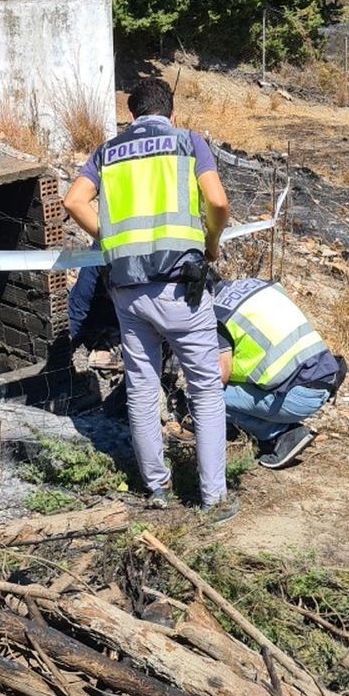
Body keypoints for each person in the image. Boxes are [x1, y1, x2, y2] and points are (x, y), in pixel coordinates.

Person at [62, 78, 234, 517]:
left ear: (132, 115)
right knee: (206, 391)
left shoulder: (107, 152)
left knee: (141, 387)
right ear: (171, 114)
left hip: (128, 290)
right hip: (181, 287)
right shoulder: (187, 141)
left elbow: (73, 200)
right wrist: (211, 242)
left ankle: (157, 490)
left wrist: (111, 239)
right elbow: (217, 200)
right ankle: (212, 500)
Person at [212, 277, 345, 469]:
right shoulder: (255, 284)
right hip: (325, 375)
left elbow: (219, 376)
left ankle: (281, 432)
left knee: (203, 396)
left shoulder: (215, 316)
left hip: (299, 395)